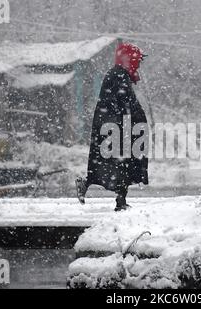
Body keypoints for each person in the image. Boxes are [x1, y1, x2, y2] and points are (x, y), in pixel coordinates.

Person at [76, 43, 149, 212]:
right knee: (122, 162)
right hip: (116, 127)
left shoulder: (120, 74)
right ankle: (119, 199)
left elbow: (125, 104)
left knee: (119, 162)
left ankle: (117, 198)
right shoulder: (119, 75)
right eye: (136, 60)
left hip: (118, 126)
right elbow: (124, 104)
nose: (138, 64)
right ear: (128, 59)